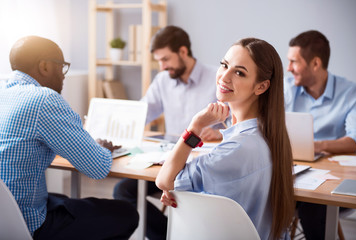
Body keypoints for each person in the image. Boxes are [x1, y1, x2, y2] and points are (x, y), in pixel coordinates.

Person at [0, 36, 139, 239]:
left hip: (5, 218)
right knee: (125, 213)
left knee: (63, 200)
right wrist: (101, 147)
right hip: (29, 225)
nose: (63, 75)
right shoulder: (44, 100)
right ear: (45, 66)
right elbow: (97, 167)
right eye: (62, 66)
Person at [156, 38, 295, 240]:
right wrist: (185, 197)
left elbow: (164, 180)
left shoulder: (239, 148)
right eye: (224, 65)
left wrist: (195, 126)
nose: (224, 76)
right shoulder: (267, 136)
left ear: (261, 86)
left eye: (239, 72)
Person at [113, 25, 225, 240]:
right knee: (123, 191)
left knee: (192, 199)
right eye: (159, 61)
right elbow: (143, 112)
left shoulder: (217, 79)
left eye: (165, 59)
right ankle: (168, 235)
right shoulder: (163, 80)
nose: (162, 67)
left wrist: (219, 134)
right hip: (170, 162)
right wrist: (113, 121)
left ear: (183, 52)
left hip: (203, 165)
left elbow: (238, 124)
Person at [285, 30, 356, 240]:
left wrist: (315, 146)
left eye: (294, 61)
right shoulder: (286, 89)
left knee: (314, 204)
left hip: (326, 182)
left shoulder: (352, 93)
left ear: (315, 63)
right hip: (290, 172)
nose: (289, 68)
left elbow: (355, 140)